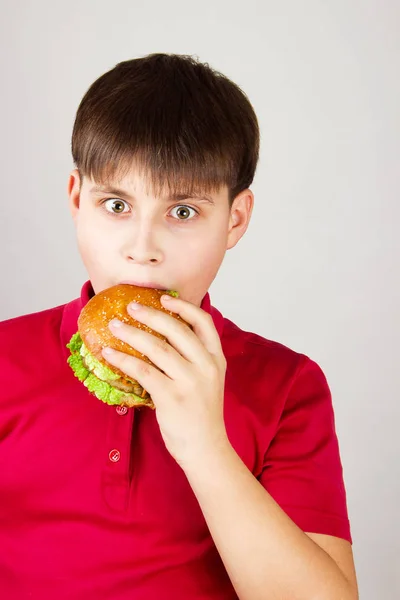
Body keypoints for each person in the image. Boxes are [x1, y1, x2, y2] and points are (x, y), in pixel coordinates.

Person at [0, 53, 358, 599]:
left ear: (234, 220)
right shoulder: (6, 357)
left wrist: (205, 447)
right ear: (77, 200)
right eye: (117, 204)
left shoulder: (288, 387)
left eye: (183, 212)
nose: (142, 249)